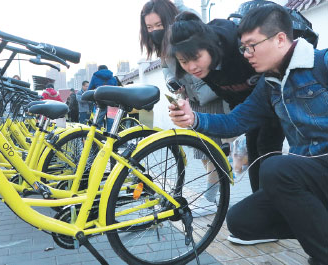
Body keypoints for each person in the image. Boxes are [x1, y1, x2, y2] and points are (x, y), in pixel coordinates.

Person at [169, 5, 328, 264]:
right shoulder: (269, 85)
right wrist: (193, 118)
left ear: (279, 39)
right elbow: (235, 121)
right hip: (310, 177)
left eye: (252, 45)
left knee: (275, 168)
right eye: (243, 47)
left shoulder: (321, 63)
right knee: (242, 221)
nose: (246, 54)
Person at [167, 7, 285, 197]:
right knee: (254, 150)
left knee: (266, 147)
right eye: (183, 61)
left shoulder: (240, 48)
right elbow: (233, 111)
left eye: (195, 58)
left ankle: (271, 204)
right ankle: (263, 203)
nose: (191, 67)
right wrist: (191, 117)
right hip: (249, 108)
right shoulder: (205, 66)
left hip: (274, 97)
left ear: (210, 46)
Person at [140, 0, 224, 202]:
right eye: (149, 27)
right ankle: (216, 193)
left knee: (212, 148)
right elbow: (165, 65)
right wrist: (172, 82)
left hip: (211, 94)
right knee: (201, 150)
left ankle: (211, 197)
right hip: (191, 97)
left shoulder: (186, 23)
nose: (154, 31)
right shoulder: (161, 42)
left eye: (158, 25)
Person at [88, 65, 118, 130]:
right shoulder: (113, 78)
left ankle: (98, 137)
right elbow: (117, 90)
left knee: (97, 123)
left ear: (98, 70)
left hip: (99, 102)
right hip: (111, 103)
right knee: (111, 123)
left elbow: (89, 89)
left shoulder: (95, 77)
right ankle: (109, 138)